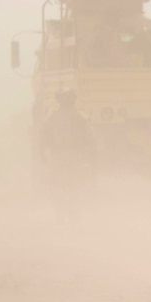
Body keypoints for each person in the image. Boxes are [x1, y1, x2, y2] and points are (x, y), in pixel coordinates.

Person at [38, 88, 95, 220]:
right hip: (75, 155)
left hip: (57, 155)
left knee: (55, 184)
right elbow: (90, 138)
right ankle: (72, 212)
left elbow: (42, 137)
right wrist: (90, 155)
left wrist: (42, 154)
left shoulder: (52, 117)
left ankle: (60, 214)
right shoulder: (81, 117)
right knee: (73, 183)